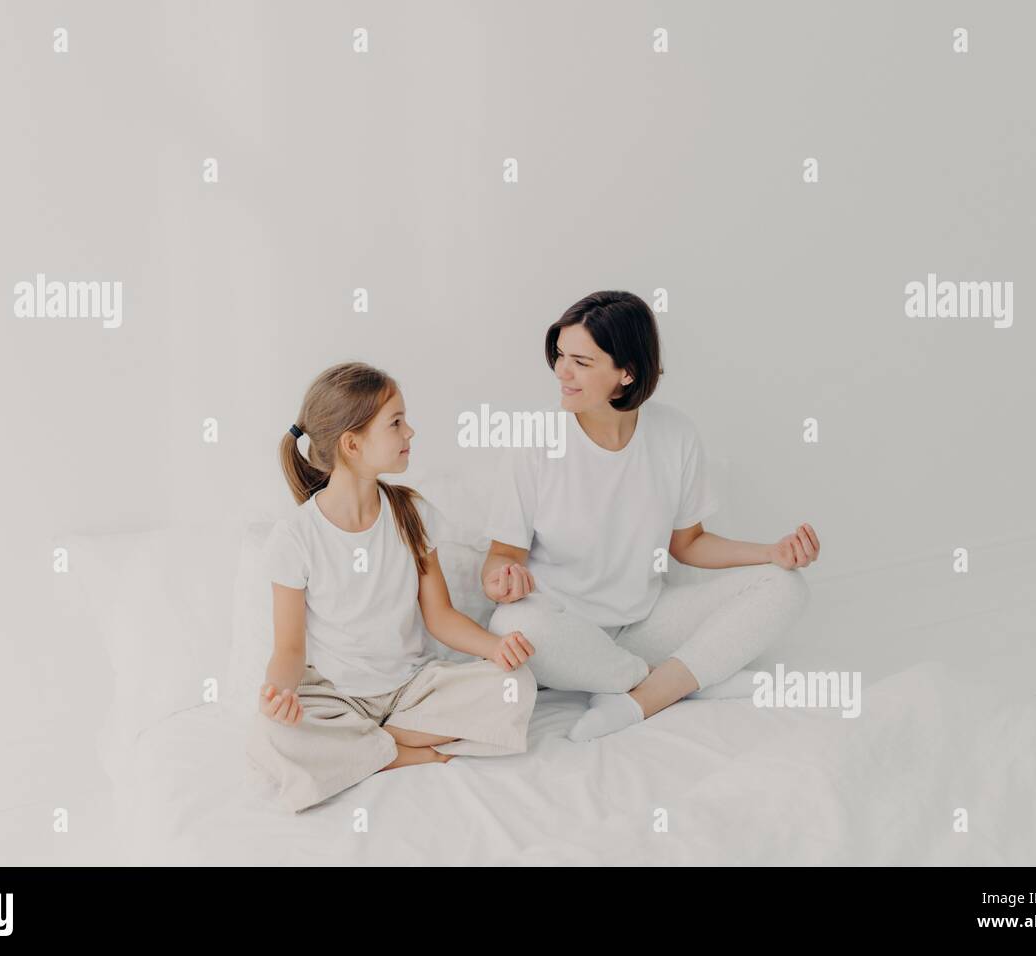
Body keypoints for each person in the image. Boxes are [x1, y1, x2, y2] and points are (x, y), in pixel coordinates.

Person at [481, 291, 819, 742]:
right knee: (513, 625)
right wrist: (501, 578)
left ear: (627, 372)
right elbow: (502, 555)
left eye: (581, 362)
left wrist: (771, 553)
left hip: (642, 622)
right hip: (564, 628)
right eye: (561, 355)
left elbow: (689, 543)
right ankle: (682, 681)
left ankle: (642, 695)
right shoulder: (535, 441)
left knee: (785, 584)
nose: (562, 372)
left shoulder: (674, 433)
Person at [247, 361, 537, 813]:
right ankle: (402, 752)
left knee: (516, 687)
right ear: (352, 443)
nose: (411, 433)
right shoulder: (296, 537)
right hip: (335, 697)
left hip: (411, 689)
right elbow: (289, 650)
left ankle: (368, 751)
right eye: (396, 422)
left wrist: (494, 647)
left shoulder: (410, 512)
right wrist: (278, 694)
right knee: (270, 735)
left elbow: (439, 616)